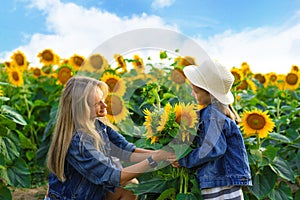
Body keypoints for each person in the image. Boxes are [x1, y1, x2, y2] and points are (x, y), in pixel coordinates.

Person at [45, 75, 176, 200]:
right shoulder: (77, 142)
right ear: (81, 108)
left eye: (103, 100)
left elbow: (126, 151)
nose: (105, 105)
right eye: (97, 103)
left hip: (90, 194)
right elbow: (115, 177)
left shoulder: (97, 125)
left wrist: (163, 155)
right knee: (127, 182)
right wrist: (154, 160)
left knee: (130, 186)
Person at [173, 60, 252, 199]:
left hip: (219, 181)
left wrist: (184, 160)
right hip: (224, 179)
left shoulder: (211, 114)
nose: (192, 94)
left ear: (210, 94)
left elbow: (213, 148)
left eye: (196, 91)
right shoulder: (219, 112)